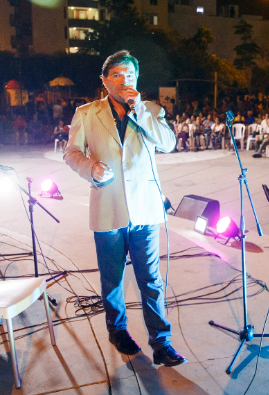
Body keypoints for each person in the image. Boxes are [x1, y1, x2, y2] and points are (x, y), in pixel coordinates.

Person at [63, 50, 186, 366]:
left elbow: (168, 144)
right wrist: (90, 167)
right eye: (117, 75)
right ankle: (117, 331)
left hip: (144, 210)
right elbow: (71, 153)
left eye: (130, 75)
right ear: (105, 81)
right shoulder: (87, 113)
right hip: (108, 207)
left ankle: (162, 342)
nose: (124, 81)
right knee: (112, 278)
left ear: (137, 80)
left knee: (151, 280)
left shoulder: (151, 110)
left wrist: (141, 110)